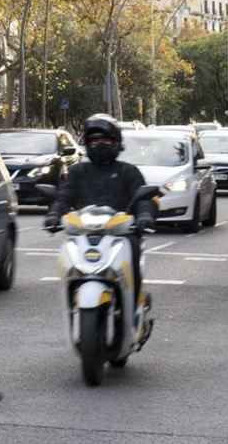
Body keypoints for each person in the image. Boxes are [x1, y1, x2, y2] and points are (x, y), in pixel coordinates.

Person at [45, 113, 157, 309]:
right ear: (87, 143)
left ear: (117, 142)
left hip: (123, 234)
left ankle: (134, 305)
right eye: (94, 140)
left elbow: (144, 199)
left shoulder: (129, 171)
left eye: (105, 139)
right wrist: (54, 214)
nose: (100, 143)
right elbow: (64, 197)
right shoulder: (77, 171)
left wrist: (145, 215)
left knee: (133, 251)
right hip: (83, 234)